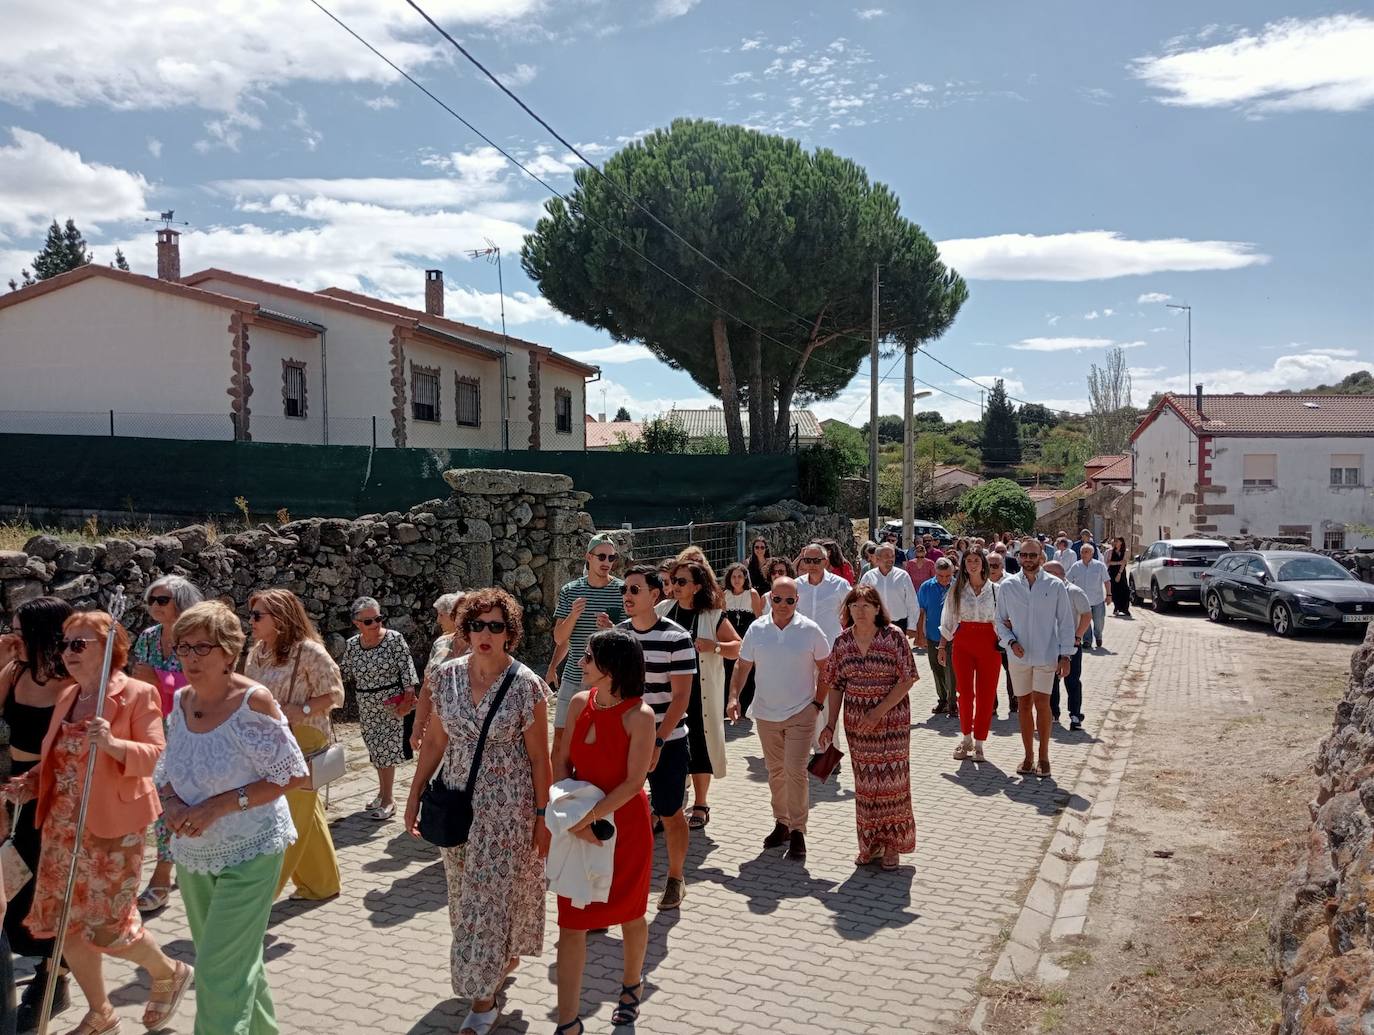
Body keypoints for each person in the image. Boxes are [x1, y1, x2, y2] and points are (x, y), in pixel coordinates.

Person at [10, 610, 189, 1035]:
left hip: (112, 829)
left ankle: (169, 971)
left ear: (111, 649)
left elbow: (154, 754)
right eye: (64, 644)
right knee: (65, 923)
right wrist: (29, 784)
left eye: (78, 644)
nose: (67, 653)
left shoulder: (137, 693)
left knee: (109, 927)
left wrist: (112, 743)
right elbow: (56, 761)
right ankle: (100, 1013)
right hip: (61, 827)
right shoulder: (68, 695)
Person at [158, 600, 309, 1035]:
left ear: (228, 651)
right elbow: (169, 767)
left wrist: (217, 806)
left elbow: (294, 774)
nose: (190, 658)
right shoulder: (183, 700)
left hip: (252, 849)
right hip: (194, 853)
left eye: (201, 648)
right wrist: (170, 804)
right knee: (234, 961)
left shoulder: (252, 702)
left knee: (217, 971)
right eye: (182, 648)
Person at [407, 588, 551, 1035]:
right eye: (476, 625)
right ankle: (490, 963)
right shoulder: (444, 676)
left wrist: (543, 816)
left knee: (484, 900)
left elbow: (540, 759)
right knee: (461, 894)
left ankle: (483, 999)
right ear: (463, 629)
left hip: (507, 807)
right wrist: (413, 795)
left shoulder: (526, 686)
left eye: (496, 626)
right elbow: (434, 741)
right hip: (455, 800)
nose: (485, 634)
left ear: (510, 633)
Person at [552, 630, 656, 1035]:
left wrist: (588, 819)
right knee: (571, 924)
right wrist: (566, 815)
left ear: (611, 668)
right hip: (577, 823)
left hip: (624, 829)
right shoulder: (579, 703)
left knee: (631, 913)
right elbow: (561, 760)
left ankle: (631, 988)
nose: (581, 664)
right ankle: (568, 1023)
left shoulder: (640, 716)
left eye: (589, 658)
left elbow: (633, 783)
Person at [0, 597, 75, 1029]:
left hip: (54, 792)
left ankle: (53, 979)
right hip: (16, 789)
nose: (12, 637)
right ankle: (50, 973)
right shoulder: (16, 671)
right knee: (18, 889)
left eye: (18, 631)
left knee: (49, 888)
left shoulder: (71, 683)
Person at [244, 588, 345, 900]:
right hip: (268, 741)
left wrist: (298, 710)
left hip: (303, 738)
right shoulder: (256, 652)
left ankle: (259, 897)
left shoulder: (309, 652)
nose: (251, 621)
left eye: (258, 615)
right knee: (305, 814)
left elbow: (335, 694)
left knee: (284, 816)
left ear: (281, 619)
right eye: (251, 614)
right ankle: (322, 883)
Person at [727, 577, 831, 861]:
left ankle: (798, 830)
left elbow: (827, 669)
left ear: (797, 601)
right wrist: (733, 697)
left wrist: (817, 705)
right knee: (775, 772)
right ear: (768, 599)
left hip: (801, 713)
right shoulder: (757, 629)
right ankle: (781, 823)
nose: (783, 605)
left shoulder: (810, 630)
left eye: (789, 600)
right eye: (777, 599)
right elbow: (743, 664)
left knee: (795, 770)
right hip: (765, 714)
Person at [817, 585, 917, 870]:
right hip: (857, 724)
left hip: (892, 721)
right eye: (854, 606)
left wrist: (878, 712)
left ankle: (891, 845)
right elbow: (835, 684)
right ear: (847, 610)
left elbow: (907, 679)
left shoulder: (893, 637)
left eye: (866, 606)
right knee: (865, 784)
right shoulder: (842, 642)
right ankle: (869, 843)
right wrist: (830, 723)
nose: (859, 611)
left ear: (877, 609)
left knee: (892, 782)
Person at [616, 566, 696, 911]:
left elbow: (681, 699)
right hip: (624, 741)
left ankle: (675, 877)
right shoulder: (618, 637)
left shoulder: (676, 638)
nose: (628, 596)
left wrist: (658, 742)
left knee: (669, 811)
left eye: (635, 590)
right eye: (625, 590)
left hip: (669, 740)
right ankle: (619, 885)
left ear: (654, 595)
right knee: (617, 812)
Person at [129, 575, 204, 915]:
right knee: (158, 803)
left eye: (163, 600)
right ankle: (169, 867)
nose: (155, 606)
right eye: (152, 600)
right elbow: (136, 685)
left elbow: (202, 685)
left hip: (189, 732)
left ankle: (163, 875)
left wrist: (157, 680)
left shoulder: (198, 638)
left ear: (181, 601)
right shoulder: (147, 638)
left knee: (175, 802)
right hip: (153, 730)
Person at [659, 561, 739, 831]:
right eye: (673, 580)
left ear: (697, 586)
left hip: (700, 695)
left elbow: (737, 647)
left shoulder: (713, 616)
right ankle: (668, 804)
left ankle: (701, 803)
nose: (675, 586)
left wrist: (714, 647)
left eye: (682, 582)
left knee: (700, 747)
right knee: (669, 747)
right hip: (667, 693)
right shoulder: (663, 611)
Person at [996, 539, 1075, 779]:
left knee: (1043, 703)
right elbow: (999, 621)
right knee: (1023, 705)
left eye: (1033, 555)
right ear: (1019, 557)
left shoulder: (1055, 585)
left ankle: (1044, 757)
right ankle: (1028, 756)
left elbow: (1066, 622)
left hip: (1046, 653)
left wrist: (1066, 655)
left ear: (1041, 556)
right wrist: (1010, 641)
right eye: (1024, 555)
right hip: (1018, 656)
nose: (1028, 560)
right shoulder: (1008, 586)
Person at [339, 596, 418, 821]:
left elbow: (408, 671)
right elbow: (344, 672)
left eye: (378, 619)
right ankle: (382, 793)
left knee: (385, 751)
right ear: (357, 623)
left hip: (391, 704)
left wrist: (407, 700)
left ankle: (389, 801)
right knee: (375, 750)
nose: (375, 624)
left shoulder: (394, 639)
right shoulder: (353, 645)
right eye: (369, 621)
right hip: (366, 705)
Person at [548, 535, 625, 760]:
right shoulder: (570, 590)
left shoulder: (621, 590)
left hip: (606, 680)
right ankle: (556, 791)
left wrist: (612, 628)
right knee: (562, 738)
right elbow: (559, 638)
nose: (607, 562)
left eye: (612, 557)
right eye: (601, 556)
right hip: (573, 677)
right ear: (588, 557)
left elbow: (627, 638)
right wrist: (573, 615)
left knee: (599, 740)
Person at [939, 548, 1002, 762]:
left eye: (976, 560)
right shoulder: (957, 590)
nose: (972, 564)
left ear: (983, 563)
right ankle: (965, 738)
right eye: (968, 561)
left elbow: (1004, 620)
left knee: (986, 694)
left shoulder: (996, 590)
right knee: (964, 693)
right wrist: (941, 646)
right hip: (963, 642)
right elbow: (948, 619)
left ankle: (980, 743)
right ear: (963, 565)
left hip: (989, 643)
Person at [411, 592, 467, 751]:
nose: (438, 620)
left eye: (441, 615)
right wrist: (418, 726)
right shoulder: (440, 644)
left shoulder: (481, 649)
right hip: (437, 728)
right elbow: (427, 688)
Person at [1045, 561, 1093, 731]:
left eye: (1047, 572)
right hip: (1050, 644)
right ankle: (1052, 713)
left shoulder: (1074, 592)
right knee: (1051, 680)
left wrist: (1077, 636)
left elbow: (1087, 615)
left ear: (1058, 574)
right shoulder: (1045, 591)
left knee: (1072, 681)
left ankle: (1075, 715)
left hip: (1070, 644)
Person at [720, 562, 762, 718]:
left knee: (748, 672)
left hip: (747, 637)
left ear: (745, 578)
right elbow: (723, 620)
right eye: (733, 577)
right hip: (732, 638)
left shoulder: (752, 594)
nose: (736, 580)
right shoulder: (725, 595)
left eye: (740, 576)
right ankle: (729, 705)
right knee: (729, 670)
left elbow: (758, 619)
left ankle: (745, 707)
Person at [915, 559, 957, 716]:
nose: (945, 579)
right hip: (933, 636)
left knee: (951, 670)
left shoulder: (957, 586)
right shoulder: (926, 587)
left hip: (953, 636)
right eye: (941, 576)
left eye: (948, 576)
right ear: (935, 572)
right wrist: (920, 635)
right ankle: (943, 700)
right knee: (936, 669)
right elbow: (921, 612)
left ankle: (953, 703)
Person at [859, 544, 918, 635]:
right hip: (874, 624)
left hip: (899, 624)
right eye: (887, 556)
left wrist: (912, 626)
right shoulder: (868, 577)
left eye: (892, 556)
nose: (890, 559)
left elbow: (912, 602)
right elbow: (861, 600)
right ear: (878, 558)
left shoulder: (903, 576)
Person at [987, 551, 1017, 717]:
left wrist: (1013, 620)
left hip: (1008, 632)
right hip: (988, 632)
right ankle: (992, 704)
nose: (992, 569)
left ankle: (1014, 700)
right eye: (989, 565)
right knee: (989, 671)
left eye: (995, 565)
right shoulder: (981, 581)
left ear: (1002, 566)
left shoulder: (1011, 582)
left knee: (1011, 669)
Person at [1066, 543, 1111, 650]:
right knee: (1085, 622)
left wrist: (1109, 594)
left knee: (1099, 622)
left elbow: (1107, 581)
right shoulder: (1076, 566)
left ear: (1092, 553)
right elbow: (1067, 580)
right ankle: (1087, 641)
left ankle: (1098, 636)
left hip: (1097, 600)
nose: (1083, 554)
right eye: (1082, 552)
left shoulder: (1099, 566)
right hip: (1082, 602)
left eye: (1086, 552)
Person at [1106, 536, 1132, 617]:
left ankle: (1125, 609)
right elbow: (1108, 562)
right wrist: (1118, 562)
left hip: (1121, 572)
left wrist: (1119, 574)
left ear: (1121, 542)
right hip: (1112, 572)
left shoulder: (1125, 551)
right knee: (1115, 590)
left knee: (1125, 590)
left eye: (1117, 541)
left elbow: (1124, 563)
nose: (1115, 543)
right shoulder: (1110, 551)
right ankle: (1116, 608)